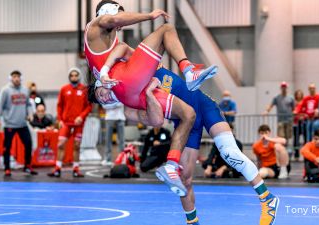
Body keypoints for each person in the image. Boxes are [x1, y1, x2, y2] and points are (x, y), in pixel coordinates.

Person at [90, 66, 279, 225]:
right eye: (102, 101)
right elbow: (156, 121)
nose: (105, 98)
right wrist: (148, 94)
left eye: (102, 94)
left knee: (230, 153)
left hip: (204, 106)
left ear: (103, 81)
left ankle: (267, 199)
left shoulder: (139, 68)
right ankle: (193, 222)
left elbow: (122, 46)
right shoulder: (130, 110)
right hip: (186, 124)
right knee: (184, 179)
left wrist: (105, 66)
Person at [86, 0, 217, 197]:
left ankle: (171, 166)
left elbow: (126, 50)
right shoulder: (95, 27)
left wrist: (154, 67)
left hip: (132, 92)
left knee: (188, 114)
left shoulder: (108, 44)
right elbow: (115, 20)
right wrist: (149, 15)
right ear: (108, 11)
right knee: (166, 29)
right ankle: (188, 71)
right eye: (121, 15)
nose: (121, 25)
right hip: (127, 81)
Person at [48, 67, 92, 178]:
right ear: (69, 77)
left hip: (78, 124)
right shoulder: (64, 89)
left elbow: (89, 106)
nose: (74, 77)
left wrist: (81, 117)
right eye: (71, 75)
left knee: (77, 146)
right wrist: (60, 120)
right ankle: (57, 168)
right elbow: (59, 106)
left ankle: (76, 169)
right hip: (66, 123)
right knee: (61, 144)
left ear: (79, 76)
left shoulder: (84, 90)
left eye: (75, 75)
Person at [0, 70, 38, 177]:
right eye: (14, 76)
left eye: (18, 76)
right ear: (11, 78)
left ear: (21, 78)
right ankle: (7, 168)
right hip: (9, 124)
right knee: (7, 147)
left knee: (28, 144)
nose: (16, 79)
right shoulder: (5, 90)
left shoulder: (25, 90)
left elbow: (28, 104)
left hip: (22, 124)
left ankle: (27, 166)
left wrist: (30, 114)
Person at [102, 102, 125, 166]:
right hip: (109, 117)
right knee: (108, 140)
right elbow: (104, 106)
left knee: (121, 140)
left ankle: (122, 158)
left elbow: (122, 103)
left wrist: (110, 104)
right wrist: (115, 104)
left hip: (120, 117)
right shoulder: (106, 92)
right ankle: (107, 159)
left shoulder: (121, 92)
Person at [292, 89, 306, 160]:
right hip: (296, 123)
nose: (299, 95)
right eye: (298, 94)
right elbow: (293, 111)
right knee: (296, 139)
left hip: (303, 122)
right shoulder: (294, 102)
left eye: (300, 94)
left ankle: (306, 154)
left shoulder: (304, 102)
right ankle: (296, 155)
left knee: (305, 138)